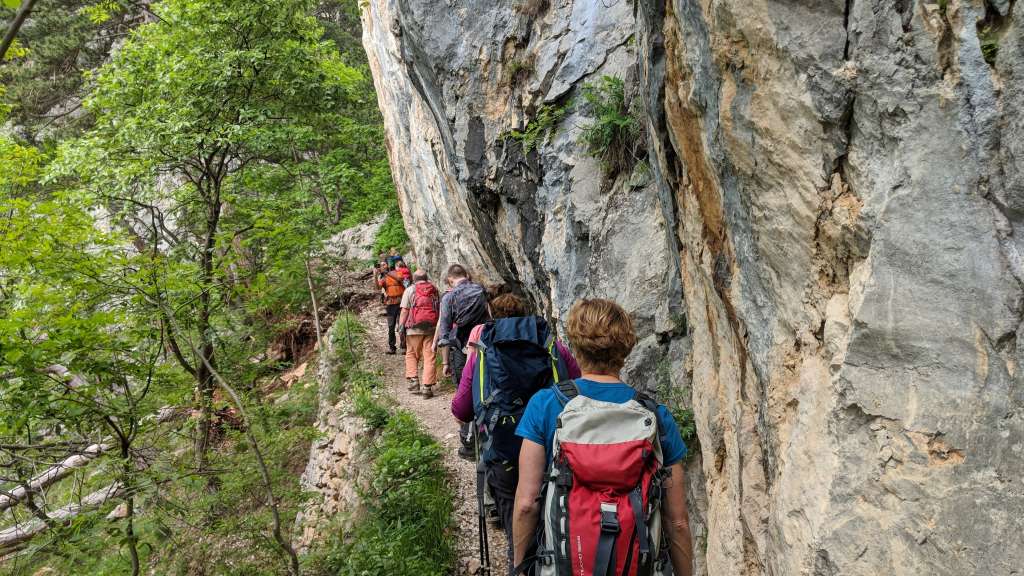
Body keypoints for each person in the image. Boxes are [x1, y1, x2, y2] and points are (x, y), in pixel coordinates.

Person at [512, 299, 694, 576]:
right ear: (626, 348)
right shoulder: (656, 416)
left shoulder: (546, 405)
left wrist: (518, 567)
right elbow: (677, 520)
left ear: (574, 346)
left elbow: (527, 504)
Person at [451, 293, 580, 570]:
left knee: (517, 526)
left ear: (492, 315)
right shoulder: (553, 347)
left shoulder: (483, 353)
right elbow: (577, 391)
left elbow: (462, 409)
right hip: (553, 450)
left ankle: (520, 564)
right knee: (559, 525)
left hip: (505, 451)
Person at [433, 264, 489, 455]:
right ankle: (486, 439)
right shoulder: (481, 289)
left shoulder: (449, 297)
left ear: (450, 280)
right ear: (466, 275)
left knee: (464, 392)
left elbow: (445, 334)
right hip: (486, 347)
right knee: (487, 390)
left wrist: (445, 360)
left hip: (463, 350)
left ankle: (468, 443)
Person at [398, 269, 440, 398]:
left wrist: (401, 327)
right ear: (426, 278)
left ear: (414, 279)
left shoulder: (410, 290)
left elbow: (405, 310)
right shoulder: (434, 289)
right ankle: (427, 387)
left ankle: (414, 381)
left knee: (411, 354)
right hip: (431, 328)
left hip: (413, 328)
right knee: (430, 356)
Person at [377, 264, 406, 354]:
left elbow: (400, 279)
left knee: (402, 325)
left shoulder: (398, 273)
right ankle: (392, 347)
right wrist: (375, 275)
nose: (382, 267)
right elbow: (378, 287)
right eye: (381, 266)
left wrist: (387, 273)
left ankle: (404, 346)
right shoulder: (383, 278)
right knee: (391, 326)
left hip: (401, 303)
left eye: (384, 264)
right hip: (390, 304)